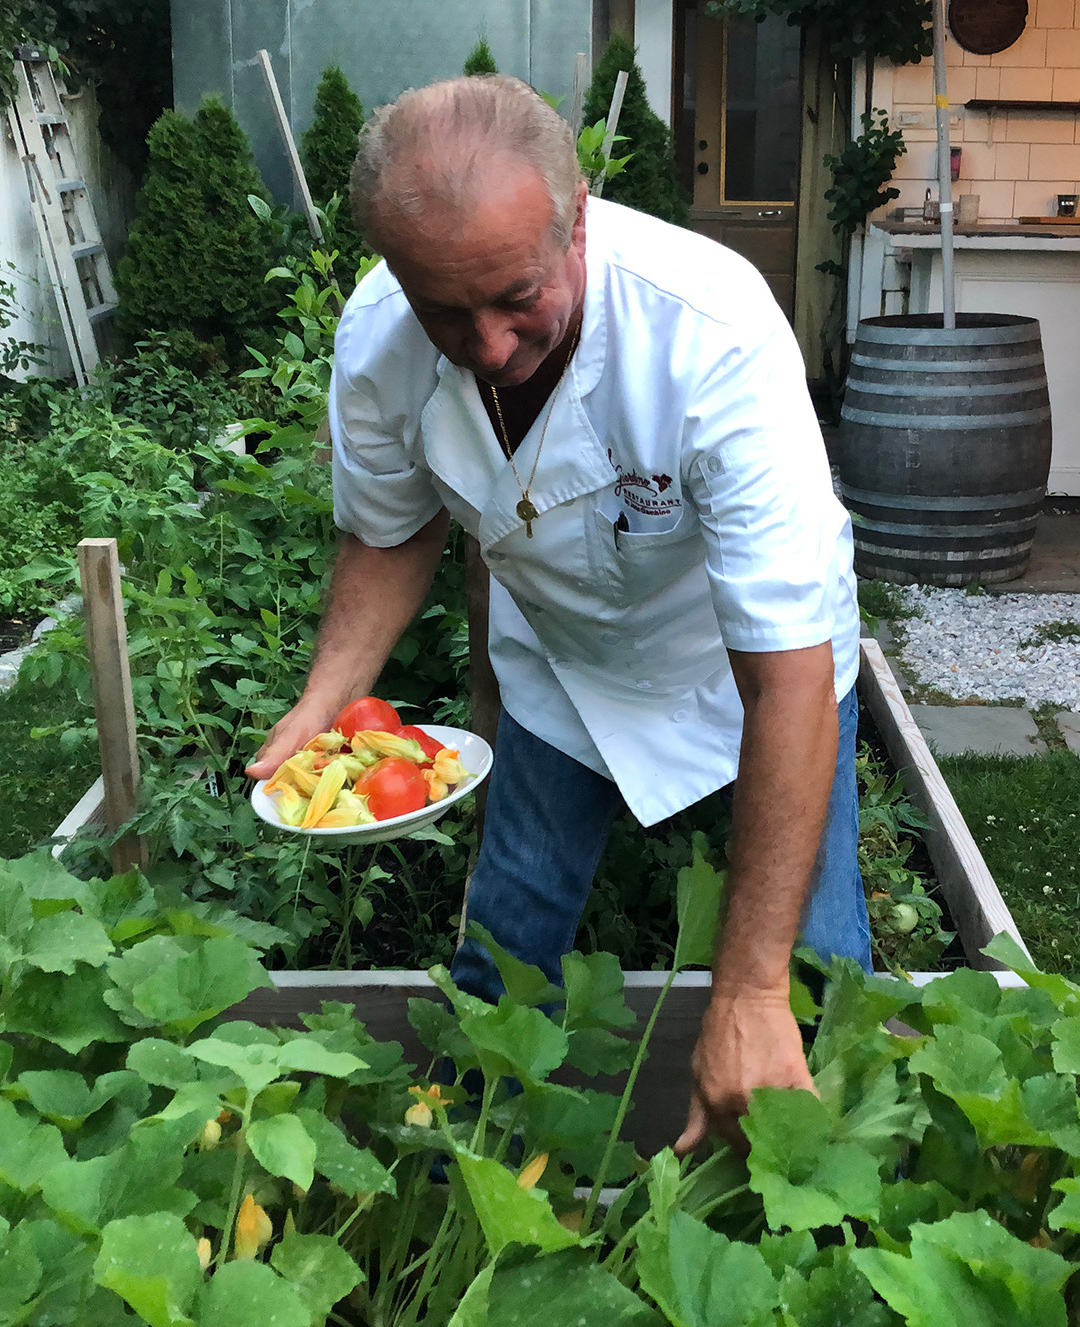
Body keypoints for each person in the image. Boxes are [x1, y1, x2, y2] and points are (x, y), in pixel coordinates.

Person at [246, 75, 862, 1151]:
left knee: (818, 973)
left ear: (578, 216)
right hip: (557, 667)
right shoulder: (378, 337)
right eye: (445, 308)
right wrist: (325, 703)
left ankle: (822, 1208)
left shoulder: (708, 330)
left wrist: (747, 994)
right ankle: (465, 1175)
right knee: (505, 951)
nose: (485, 345)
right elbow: (391, 534)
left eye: (515, 296)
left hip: (750, 673)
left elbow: (784, 674)